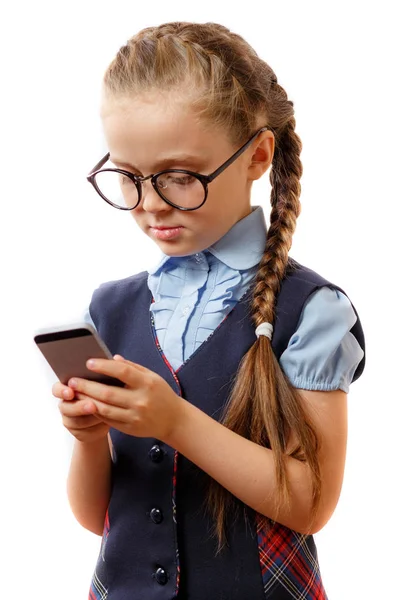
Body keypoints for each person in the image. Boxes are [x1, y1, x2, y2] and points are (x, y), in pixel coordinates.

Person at [52, 21, 365, 600]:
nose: (149, 205)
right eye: (128, 177)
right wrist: (89, 438)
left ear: (257, 156)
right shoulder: (110, 308)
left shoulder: (312, 311)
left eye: (179, 176)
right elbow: (97, 518)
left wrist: (174, 422)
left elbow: (311, 504)